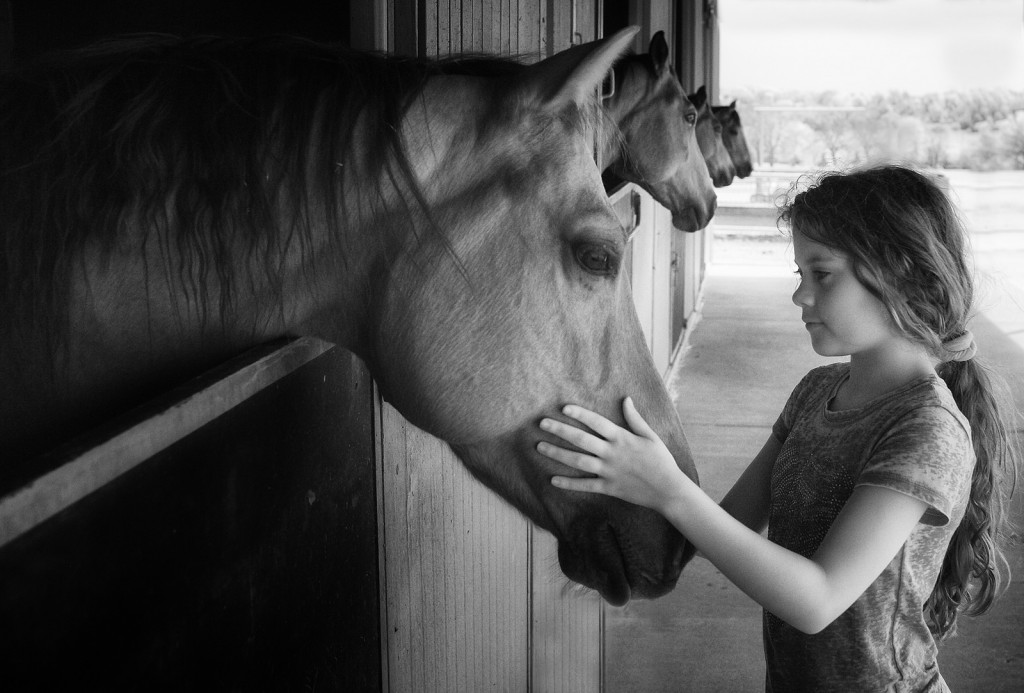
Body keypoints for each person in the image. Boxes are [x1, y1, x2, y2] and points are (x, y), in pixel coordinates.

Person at [536, 164, 1021, 692]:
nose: (800, 296)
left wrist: (669, 489)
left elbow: (818, 600)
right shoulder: (817, 391)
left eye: (822, 274)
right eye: (799, 274)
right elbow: (729, 523)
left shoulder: (927, 430)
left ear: (900, 274)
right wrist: (626, 489)